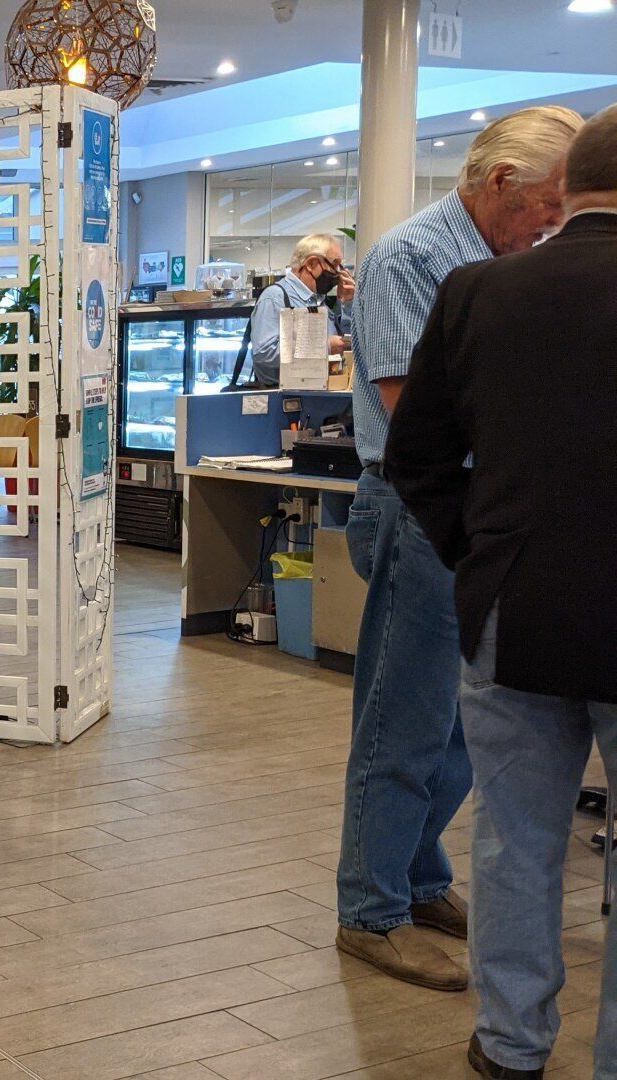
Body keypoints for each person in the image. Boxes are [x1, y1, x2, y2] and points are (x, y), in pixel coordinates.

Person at [386, 104, 617, 1080]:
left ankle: (512, 1045)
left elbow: (417, 456)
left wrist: (481, 551)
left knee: (516, 843)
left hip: (513, 610)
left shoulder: (480, 292)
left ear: (566, 189)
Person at [335, 104, 584, 991]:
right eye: (547, 206)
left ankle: (418, 875)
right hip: (420, 508)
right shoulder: (411, 257)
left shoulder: (501, 264)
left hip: (486, 513)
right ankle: (369, 910)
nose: (553, 225)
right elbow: (418, 418)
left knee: (465, 727)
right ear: (500, 184)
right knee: (402, 720)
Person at [236, 233, 355, 388]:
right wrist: (323, 347)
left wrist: (347, 304)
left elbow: (346, 344)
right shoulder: (275, 297)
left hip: (322, 399)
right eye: (335, 264)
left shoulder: (319, 302)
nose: (339, 272)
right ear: (311, 264)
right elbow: (264, 355)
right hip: (284, 402)